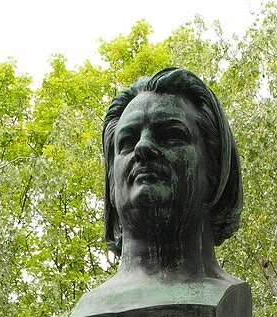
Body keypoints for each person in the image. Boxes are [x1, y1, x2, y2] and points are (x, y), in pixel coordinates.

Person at [101, 67, 243, 283]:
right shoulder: (93, 307)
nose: (143, 147)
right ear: (111, 182)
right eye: (128, 141)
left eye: (171, 135)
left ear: (216, 168)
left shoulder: (228, 298)